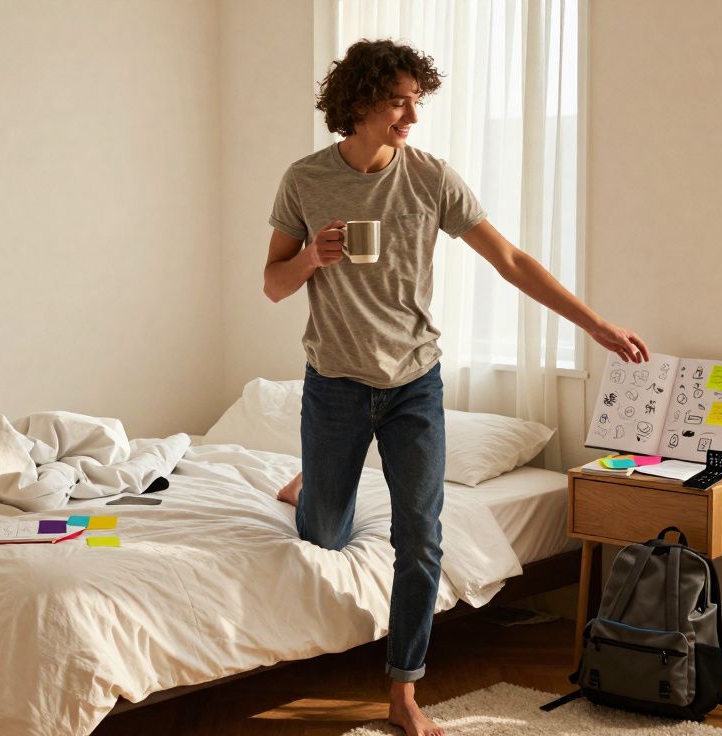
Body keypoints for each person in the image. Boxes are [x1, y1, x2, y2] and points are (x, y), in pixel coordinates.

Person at [263, 40, 649, 736]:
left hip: (414, 382)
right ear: (358, 103)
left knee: (422, 539)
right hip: (335, 384)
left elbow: (511, 260)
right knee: (323, 531)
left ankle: (404, 690)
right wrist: (313, 260)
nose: (412, 112)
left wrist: (593, 324)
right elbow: (271, 282)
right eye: (398, 99)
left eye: (418, 99)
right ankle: (308, 488)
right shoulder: (304, 179)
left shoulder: (431, 178)